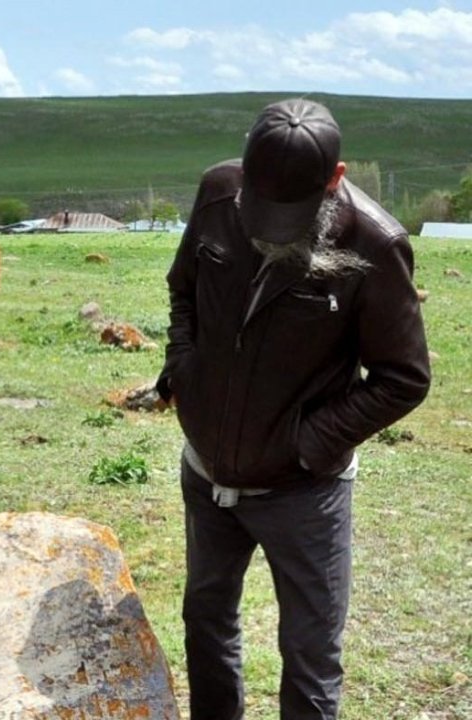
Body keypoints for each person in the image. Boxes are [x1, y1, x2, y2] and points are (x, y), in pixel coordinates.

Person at [156, 98, 430, 719]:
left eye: (290, 213)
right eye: (260, 202)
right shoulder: (218, 192)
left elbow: (404, 378)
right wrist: (186, 375)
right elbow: (183, 290)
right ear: (245, 170)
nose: (266, 227)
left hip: (304, 492)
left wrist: (307, 443)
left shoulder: (374, 243)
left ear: (335, 178)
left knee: (309, 656)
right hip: (207, 472)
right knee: (205, 621)